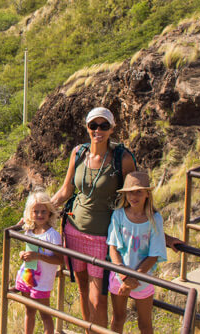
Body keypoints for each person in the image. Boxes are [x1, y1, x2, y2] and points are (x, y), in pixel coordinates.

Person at [51, 107, 136, 329]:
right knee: (83, 290)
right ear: (87, 127)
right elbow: (66, 190)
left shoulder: (122, 159)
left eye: (104, 126)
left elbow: (137, 195)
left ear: (112, 128)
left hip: (103, 237)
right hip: (73, 230)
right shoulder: (78, 153)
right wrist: (37, 211)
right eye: (93, 125)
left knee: (98, 298)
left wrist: (158, 231)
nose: (98, 130)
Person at [107, 171, 166, 334]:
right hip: (120, 275)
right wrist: (124, 278)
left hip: (143, 278)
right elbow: (113, 247)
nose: (134, 196)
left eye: (139, 192)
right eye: (130, 192)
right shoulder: (118, 215)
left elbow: (153, 255)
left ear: (147, 194)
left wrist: (134, 279)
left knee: (145, 324)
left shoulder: (155, 219)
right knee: (118, 318)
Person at [14, 190, 63, 334]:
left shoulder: (53, 236)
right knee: (29, 310)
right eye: (36, 212)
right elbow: (27, 249)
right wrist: (23, 254)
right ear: (30, 213)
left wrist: (38, 256)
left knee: (45, 314)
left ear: (49, 213)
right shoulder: (30, 230)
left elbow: (60, 260)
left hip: (42, 282)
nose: (40, 215)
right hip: (28, 275)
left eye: (43, 211)